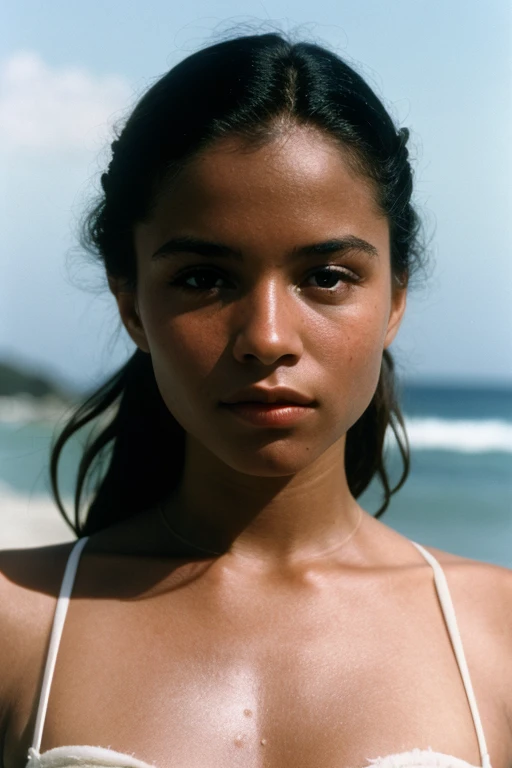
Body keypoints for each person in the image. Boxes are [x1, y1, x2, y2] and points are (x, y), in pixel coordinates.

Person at [0, 30, 510, 768]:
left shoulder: (498, 635)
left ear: (395, 297)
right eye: (205, 278)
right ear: (132, 303)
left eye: (327, 276)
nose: (267, 336)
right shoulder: (18, 625)